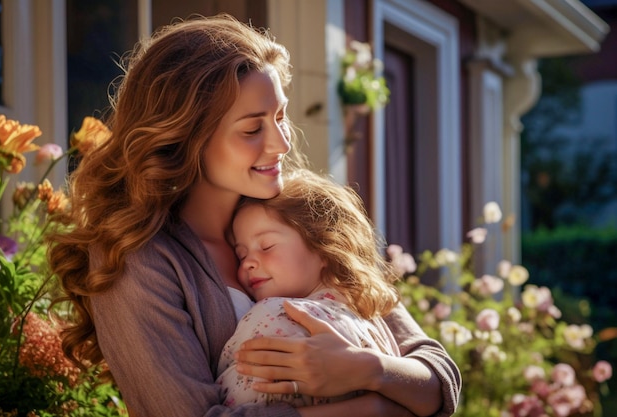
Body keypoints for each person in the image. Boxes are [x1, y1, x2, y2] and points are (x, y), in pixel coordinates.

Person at [47, 13, 461, 417]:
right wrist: (372, 407)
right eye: (251, 129)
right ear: (187, 138)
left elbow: (438, 380)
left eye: (280, 117)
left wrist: (367, 369)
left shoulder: (302, 218)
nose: (281, 143)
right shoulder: (136, 260)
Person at [217, 170, 402, 407]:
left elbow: (234, 395)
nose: (248, 263)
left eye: (266, 246)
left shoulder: (274, 314)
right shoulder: (374, 324)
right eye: (241, 255)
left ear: (325, 246)